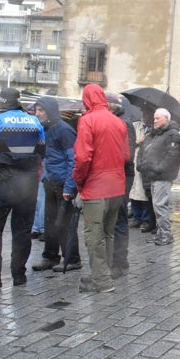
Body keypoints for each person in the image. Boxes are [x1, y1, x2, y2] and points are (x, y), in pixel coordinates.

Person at [73, 84, 129, 293]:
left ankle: (102, 281)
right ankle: (104, 274)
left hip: (96, 187)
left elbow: (82, 157)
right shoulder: (118, 122)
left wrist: (79, 181)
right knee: (108, 234)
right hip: (116, 186)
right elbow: (125, 156)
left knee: (94, 236)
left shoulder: (87, 120)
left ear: (87, 99)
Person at [0, 88, 45, 290]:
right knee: (22, 231)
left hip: (2, 182)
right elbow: (41, 150)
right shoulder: (34, 121)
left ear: (2, 102)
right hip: (28, 183)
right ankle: (19, 275)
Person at [30, 96, 81, 273]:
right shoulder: (44, 129)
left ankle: (72, 259)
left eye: (41, 110)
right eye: (36, 110)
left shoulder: (64, 130)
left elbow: (72, 160)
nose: (37, 114)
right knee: (50, 222)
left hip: (62, 183)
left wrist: (69, 187)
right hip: (50, 181)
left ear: (50, 111)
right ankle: (50, 257)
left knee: (64, 224)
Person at [136, 108, 180, 246]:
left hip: (162, 176)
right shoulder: (153, 134)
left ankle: (166, 235)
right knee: (156, 206)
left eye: (157, 118)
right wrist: (141, 165)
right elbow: (142, 151)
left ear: (166, 119)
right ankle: (160, 233)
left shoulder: (172, 134)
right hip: (151, 175)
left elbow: (171, 155)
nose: (154, 121)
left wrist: (158, 168)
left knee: (160, 206)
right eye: (154, 118)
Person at [106, 92, 137, 278]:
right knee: (115, 217)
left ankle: (119, 261)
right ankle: (119, 259)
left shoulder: (124, 123)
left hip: (122, 175)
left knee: (118, 217)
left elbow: (128, 155)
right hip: (114, 174)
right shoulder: (114, 121)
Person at [129, 110, 154, 232]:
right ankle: (136, 216)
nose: (145, 115)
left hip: (146, 162)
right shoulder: (135, 126)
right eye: (144, 113)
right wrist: (138, 141)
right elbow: (128, 142)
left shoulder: (154, 129)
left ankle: (146, 218)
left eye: (148, 113)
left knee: (144, 191)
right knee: (134, 191)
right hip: (134, 160)